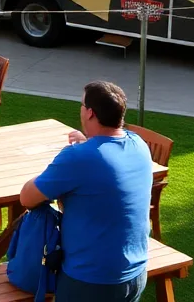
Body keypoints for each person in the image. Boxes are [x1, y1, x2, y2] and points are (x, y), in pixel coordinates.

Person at [19, 81, 153, 302]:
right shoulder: (138, 144)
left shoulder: (77, 158)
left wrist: (60, 166)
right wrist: (88, 142)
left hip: (91, 281)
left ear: (90, 113)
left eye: (81, 105)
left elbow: (27, 197)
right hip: (134, 274)